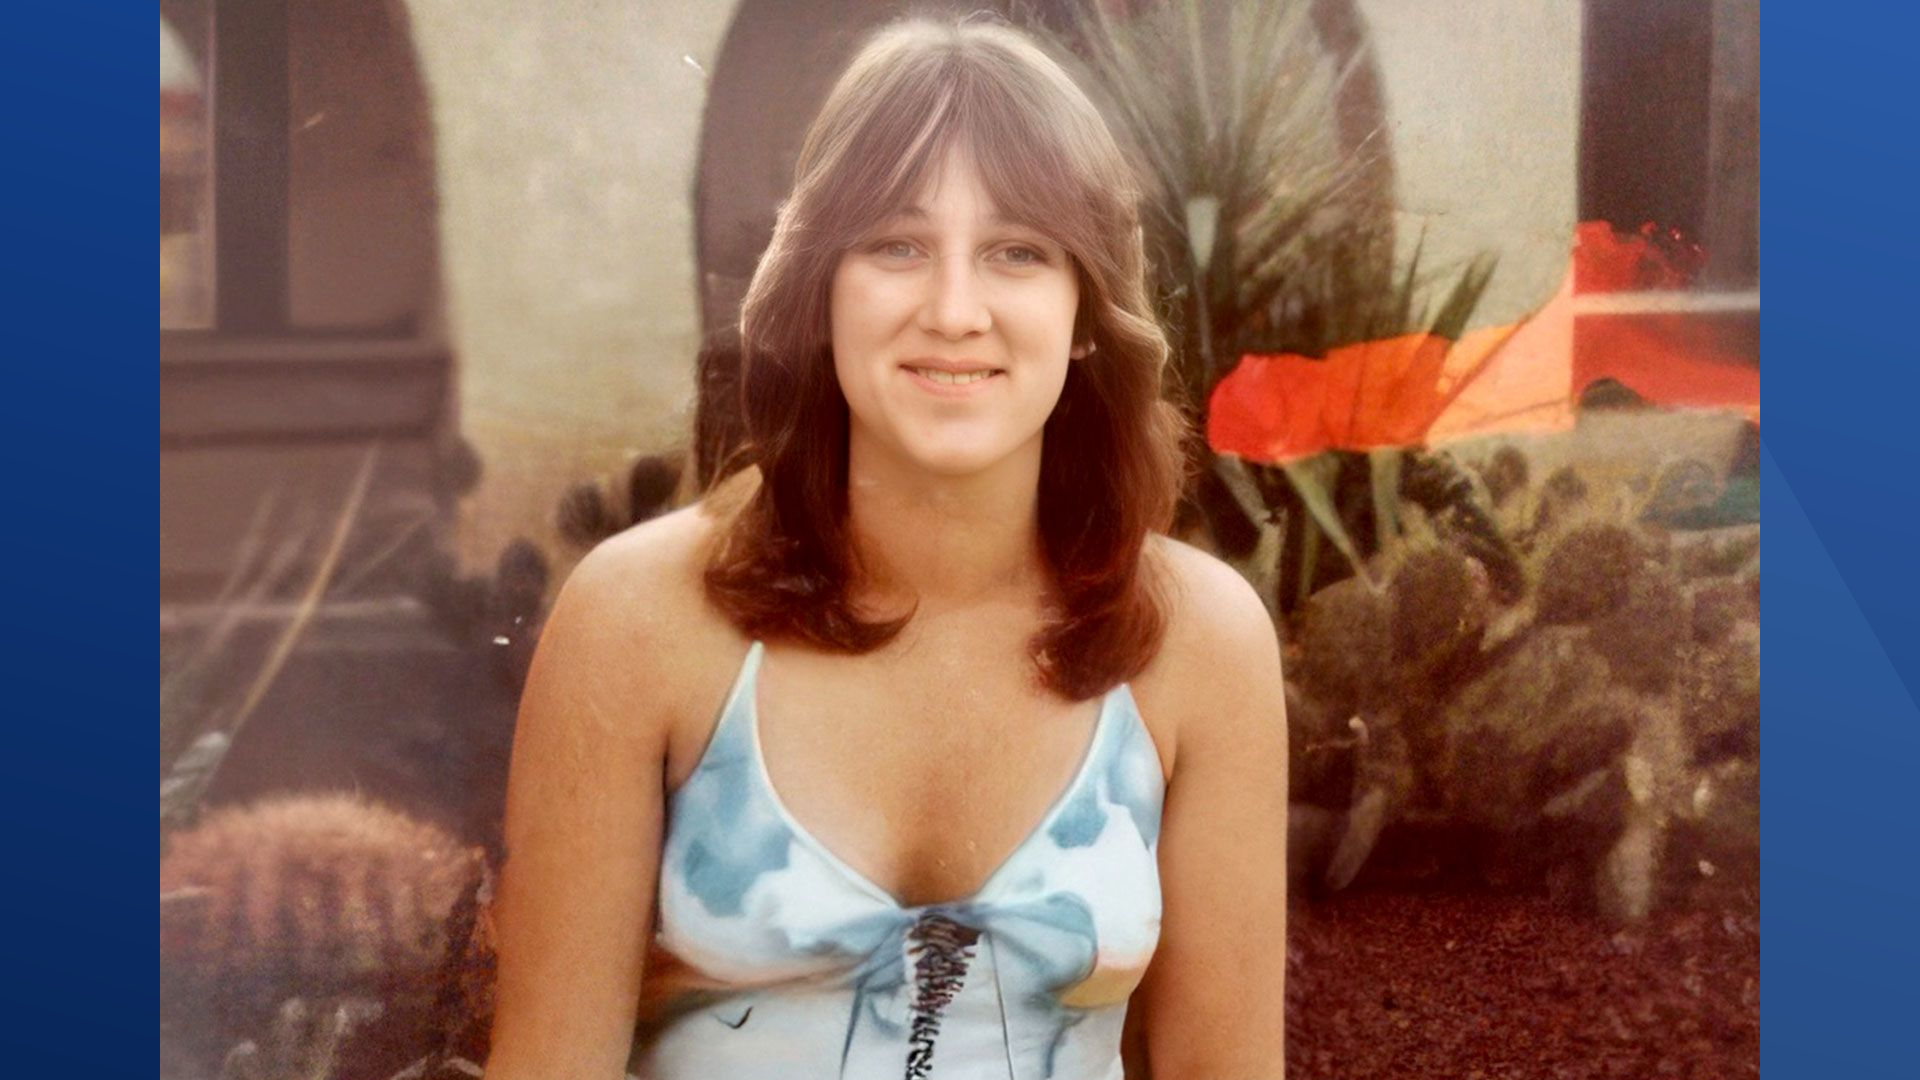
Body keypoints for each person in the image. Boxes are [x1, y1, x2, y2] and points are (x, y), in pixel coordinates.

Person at [482, 15, 1289, 1079]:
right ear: (819, 289)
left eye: (1017, 252)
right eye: (897, 246)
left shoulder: (1201, 641)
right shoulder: (637, 619)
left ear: (1088, 312)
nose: (954, 311)